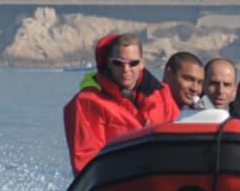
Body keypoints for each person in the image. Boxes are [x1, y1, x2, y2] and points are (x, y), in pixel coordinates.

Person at [62, 33, 179, 174]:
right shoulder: (86, 102)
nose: (126, 70)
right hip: (116, 183)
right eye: (119, 63)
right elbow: (86, 162)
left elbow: (178, 140)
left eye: (133, 63)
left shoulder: (162, 94)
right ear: (109, 63)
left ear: (142, 64)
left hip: (161, 176)